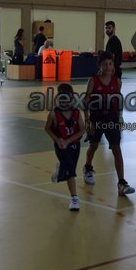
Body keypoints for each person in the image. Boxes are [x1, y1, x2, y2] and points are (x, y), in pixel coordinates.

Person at [82, 51, 134, 195]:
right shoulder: (93, 80)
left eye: (110, 64)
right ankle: (87, 167)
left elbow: (118, 101)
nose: (108, 67)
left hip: (112, 119)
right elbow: (85, 102)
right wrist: (87, 121)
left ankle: (121, 183)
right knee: (93, 145)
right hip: (96, 118)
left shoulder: (117, 82)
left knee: (117, 149)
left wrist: (120, 118)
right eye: (105, 64)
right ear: (99, 66)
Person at [44, 82, 85, 211]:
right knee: (71, 172)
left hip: (74, 145)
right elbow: (47, 128)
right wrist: (58, 140)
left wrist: (68, 141)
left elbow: (82, 130)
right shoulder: (54, 114)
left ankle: (60, 169)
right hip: (61, 146)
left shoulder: (76, 113)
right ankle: (74, 199)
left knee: (70, 168)